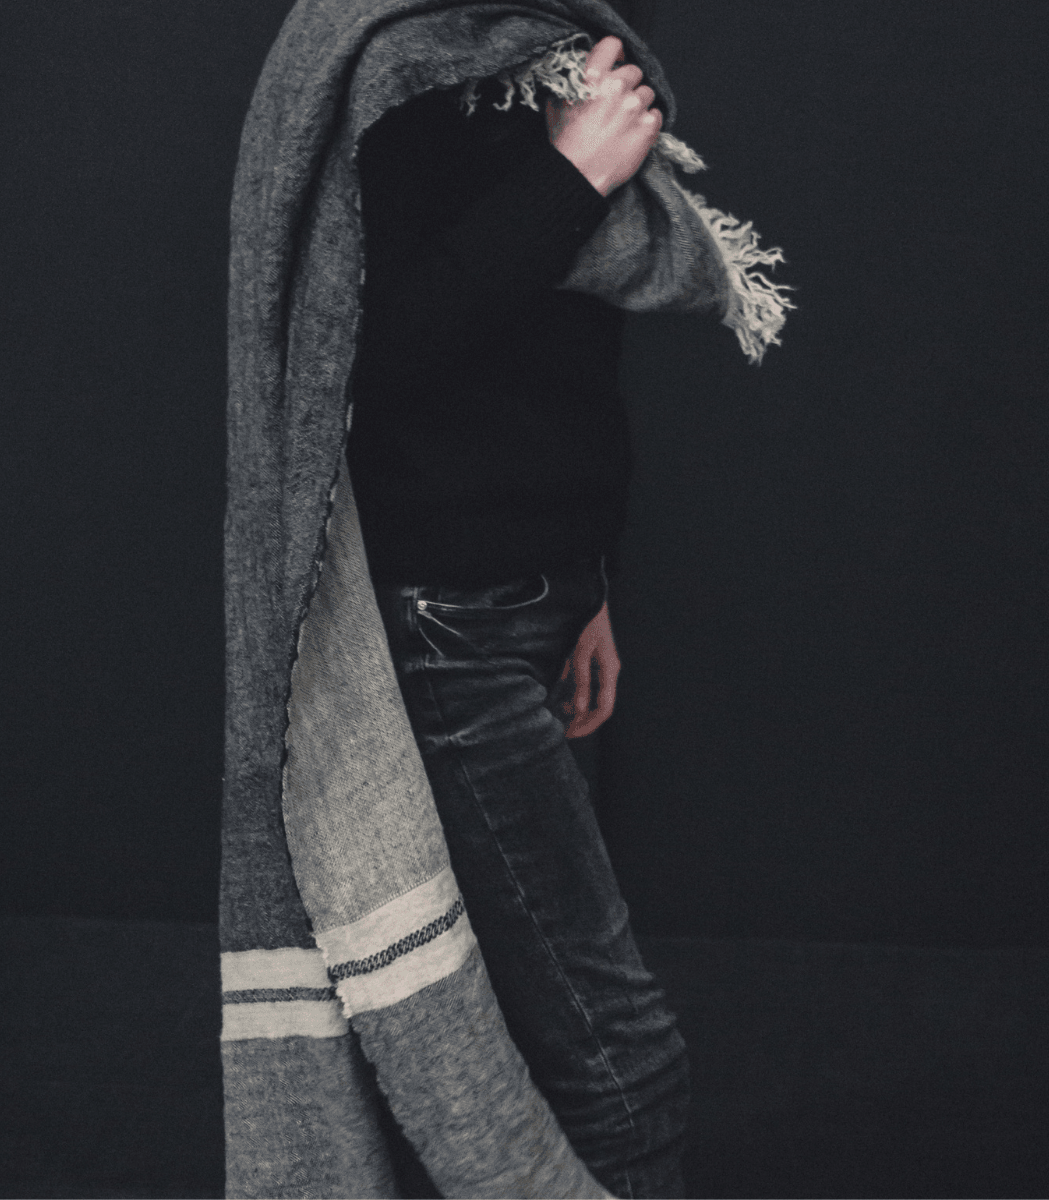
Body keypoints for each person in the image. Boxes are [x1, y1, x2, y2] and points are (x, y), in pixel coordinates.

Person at [345, 31, 692, 1200]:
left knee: (527, 1024)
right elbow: (366, 348)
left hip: (538, 590)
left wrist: (587, 583)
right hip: (449, 610)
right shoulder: (387, 52)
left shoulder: (550, 34)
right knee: (618, 1054)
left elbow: (556, 347)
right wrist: (572, 174)